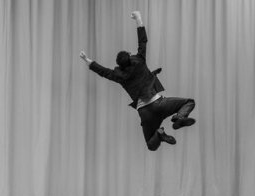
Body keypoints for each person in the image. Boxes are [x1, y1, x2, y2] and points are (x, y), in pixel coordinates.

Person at [80, 11, 196, 151]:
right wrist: (138, 19)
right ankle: (179, 117)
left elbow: (103, 71)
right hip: (159, 104)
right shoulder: (139, 60)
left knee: (151, 146)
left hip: (145, 112)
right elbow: (143, 41)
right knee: (189, 102)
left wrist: (87, 60)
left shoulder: (119, 76)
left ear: (120, 65)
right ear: (130, 57)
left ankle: (159, 134)